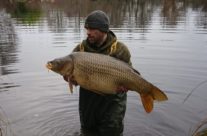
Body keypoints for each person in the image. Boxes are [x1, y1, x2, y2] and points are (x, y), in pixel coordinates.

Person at [65, 10, 132, 136]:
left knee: (111, 132)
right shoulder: (80, 50)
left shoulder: (120, 49)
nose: (88, 33)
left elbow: (129, 77)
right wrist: (70, 79)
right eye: (87, 29)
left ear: (103, 30)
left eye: (92, 29)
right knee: (88, 132)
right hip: (88, 103)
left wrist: (126, 87)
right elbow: (73, 80)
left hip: (113, 103)